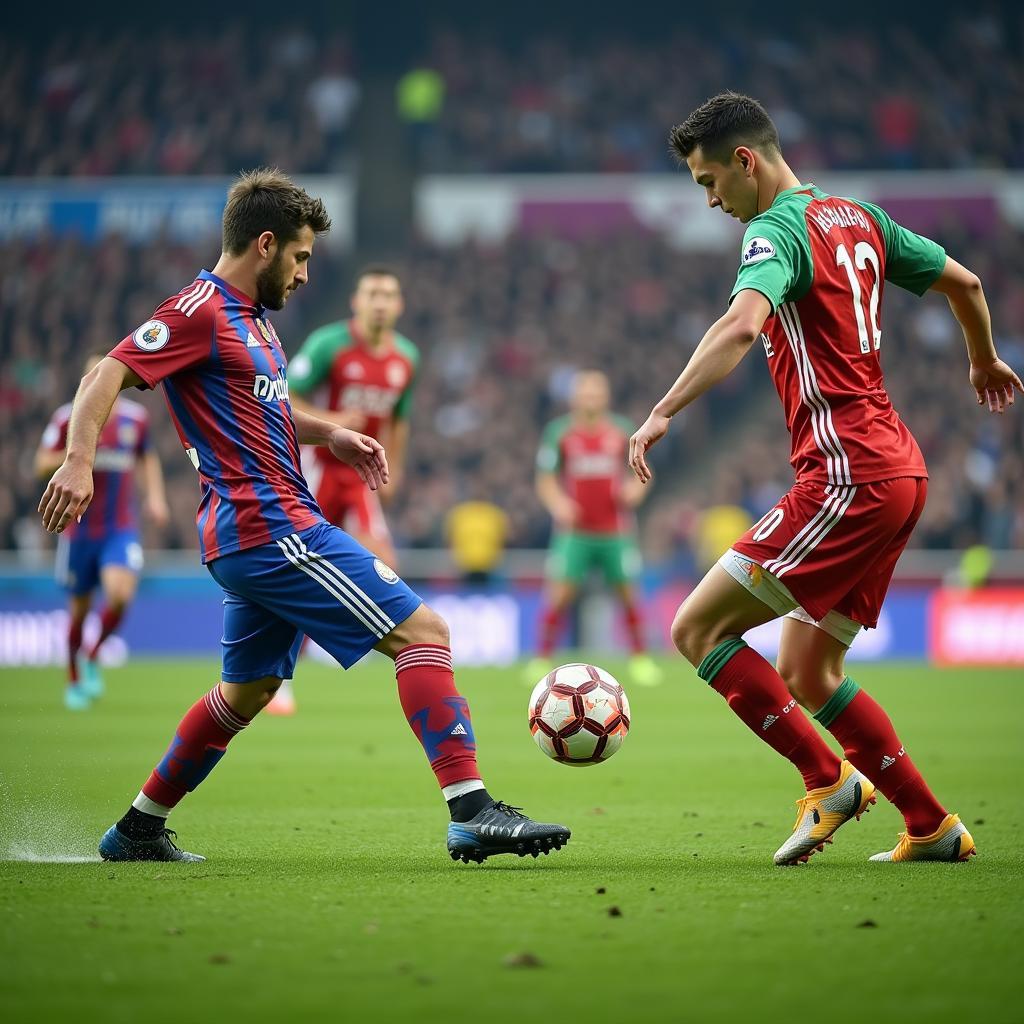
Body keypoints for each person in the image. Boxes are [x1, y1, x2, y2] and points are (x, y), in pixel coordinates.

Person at [39, 168, 569, 865]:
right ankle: (471, 810)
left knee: (246, 691)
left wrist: (330, 434)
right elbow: (106, 373)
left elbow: (268, 411)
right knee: (424, 631)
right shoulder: (200, 309)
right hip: (273, 527)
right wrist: (80, 459)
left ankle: (136, 829)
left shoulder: (254, 326)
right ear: (265, 244)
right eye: (301, 256)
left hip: (248, 533)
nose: (306, 274)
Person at [629, 92, 1020, 865]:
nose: (710, 201)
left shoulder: (775, 230)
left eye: (710, 182)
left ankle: (826, 781)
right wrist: (982, 356)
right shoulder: (861, 218)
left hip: (848, 474)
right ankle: (932, 826)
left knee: (696, 629)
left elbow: (741, 325)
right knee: (808, 669)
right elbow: (967, 285)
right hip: (901, 469)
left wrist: (662, 410)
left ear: (747, 161)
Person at [267, 266, 417, 715]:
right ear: (356, 301)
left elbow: (398, 419)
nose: (380, 302)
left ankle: (343, 643)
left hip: (357, 476)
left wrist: (396, 465)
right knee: (295, 569)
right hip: (315, 468)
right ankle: (280, 676)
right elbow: (282, 399)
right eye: (372, 292)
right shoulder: (328, 345)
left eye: (388, 294)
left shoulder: (406, 357)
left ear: (399, 305)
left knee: (384, 561)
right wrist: (332, 423)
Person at [35, 354, 169, 710]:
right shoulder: (67, 418)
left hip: (119, 528)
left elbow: (147, 456)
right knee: (78, 612)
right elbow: (41, 463)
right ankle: (74, 676)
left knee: (120, 595)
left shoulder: (134, 419)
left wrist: (155, 497)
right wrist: (78, 453)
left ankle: (93, 654)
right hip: (78, 531)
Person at [528, 370, 661, 686]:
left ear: (606, 397)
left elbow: (643, 471)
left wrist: (635, 490)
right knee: (559, 595)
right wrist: (559, 504)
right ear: (574, 398)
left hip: (615, 531)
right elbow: (545, 478)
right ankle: (541, 658)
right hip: (575, 533)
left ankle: (641, 659)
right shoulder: (559, 434)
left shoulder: (621, 432)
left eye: (596, 393)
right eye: (585, 393)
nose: (590, 398)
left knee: (628, 594)